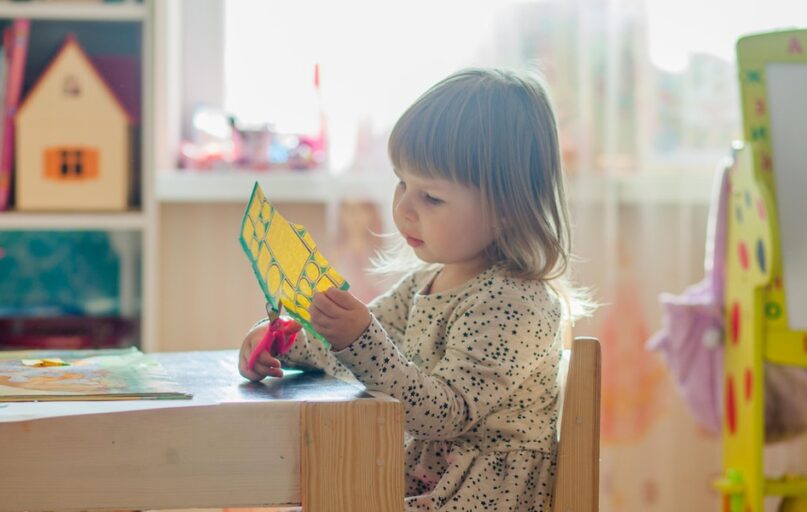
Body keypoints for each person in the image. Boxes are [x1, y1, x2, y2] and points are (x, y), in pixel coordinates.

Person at [238, 68, 591, 511]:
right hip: (427, 481)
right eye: (402, 182)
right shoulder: (425, 282)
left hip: (478, 496)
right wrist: (285, 343)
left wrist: (358, 337)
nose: (403, 208)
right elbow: (356, 353)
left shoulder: (517, 303)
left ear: (507, 209)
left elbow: (444, 413)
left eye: (432, 198)